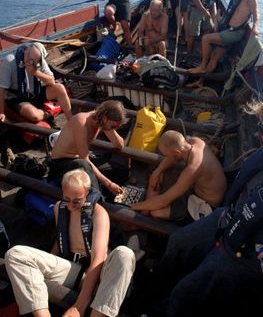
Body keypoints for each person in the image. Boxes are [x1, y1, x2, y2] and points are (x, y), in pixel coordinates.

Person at [145, 142, 263, 317]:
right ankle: (154, 288)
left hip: (245, 253)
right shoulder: (196, 143)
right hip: (230, 215)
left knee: (186, 294)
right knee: (179, 243)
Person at [5, 169, 136, 317]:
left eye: (77, 201)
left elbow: (98, 259)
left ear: (87, 193)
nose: (70, 205)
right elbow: (60, 240)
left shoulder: (99, 213)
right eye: (66, 198)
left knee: (125, 254)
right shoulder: (59, 208)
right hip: (73, 269)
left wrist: (79, 306)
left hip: (98, 273)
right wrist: (45, 265)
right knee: (15, 254)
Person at [132, 130, 226, 224]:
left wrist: (134, 206)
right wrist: (157, 172)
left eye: (167, 155)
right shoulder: (194, 141)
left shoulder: (193, 168)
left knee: (156, 212)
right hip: (197, 188)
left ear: (177, 152)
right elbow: (171, 158)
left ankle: (147, 211)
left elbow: (163, 201)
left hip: (204, 204)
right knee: (158, 176)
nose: (167, 157)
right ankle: (147, 207)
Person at [189, 0, 260, 75]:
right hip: (229, 29)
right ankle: (201, 80)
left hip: (235, 33)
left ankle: (202, 67)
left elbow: (256, 12)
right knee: (214, 57)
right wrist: (219, 18)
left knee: (205, 39)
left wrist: (256, 26)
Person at [49, 100, 126, 195]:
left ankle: (114, 197)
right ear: (105, 118)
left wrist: (111, 129)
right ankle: (98, 201)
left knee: (120, 170)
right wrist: (109, 184)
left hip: (79, 159)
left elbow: (120, 145)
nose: (114, 128)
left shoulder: (101, 121)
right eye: (113, 126)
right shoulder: (81, 121)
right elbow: (84, 159)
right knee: (84, 165)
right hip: (61, 163)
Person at [0, 42, 72, 122]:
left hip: (35, 92)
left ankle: (71, 120)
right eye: (31, 60)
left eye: (35, 62)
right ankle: (53, 109)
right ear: (26, 51)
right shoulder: (9, 62)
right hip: (17, 97)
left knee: (60, 88)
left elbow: (51, 81)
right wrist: (1, 112)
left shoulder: (39, 60)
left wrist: (35, 72)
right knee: (35, 116)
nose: (32, 63)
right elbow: (1, 89)